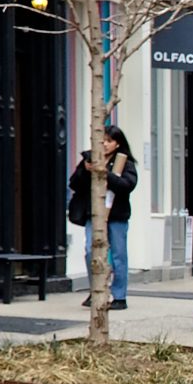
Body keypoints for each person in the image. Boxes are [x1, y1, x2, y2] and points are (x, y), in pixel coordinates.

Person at [68, 126, 137, 310]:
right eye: (102, 140)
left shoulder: (125, 162)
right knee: (91, 251)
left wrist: (106, 174)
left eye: (109, 141)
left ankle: (120, 296)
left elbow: (127, 185)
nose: (105, 144)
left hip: (116, 216)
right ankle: (96, 291)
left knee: (119, 255)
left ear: (117, 144)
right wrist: (85, 170)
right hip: (94, 214)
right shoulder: (89, 158)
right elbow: (74, 183)